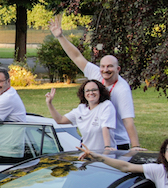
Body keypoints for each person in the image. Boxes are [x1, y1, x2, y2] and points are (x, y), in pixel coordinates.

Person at [48, 13, 139, 149]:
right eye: (103, 66)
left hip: (116, 142)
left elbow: (128, 121)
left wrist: (135, 146)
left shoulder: (122, 89)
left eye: (110, 67)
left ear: (118, 69)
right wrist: (60, 37)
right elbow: (77, 57)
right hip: (92, 143)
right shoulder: (96, 75)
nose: (105, 70)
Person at [46, 79, 116, 151]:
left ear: (100, 92)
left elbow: (105, 127)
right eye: (87, 91)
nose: (91, 93)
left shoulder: (106, 105)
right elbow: (60, 120)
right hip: (87, 154)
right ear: (83, 94)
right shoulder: (81, 109)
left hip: (104, 154)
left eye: (94, 90)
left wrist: (107, 147)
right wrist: (49, 103)